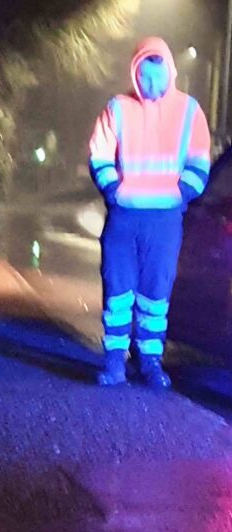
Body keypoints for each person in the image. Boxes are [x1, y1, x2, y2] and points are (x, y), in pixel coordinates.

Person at [89, 37, 211, 388]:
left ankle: (150, 362)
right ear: (135, 73)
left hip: (164, 220)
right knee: (118, 289)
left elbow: (199, 160)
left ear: (170, 73)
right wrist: (114, 190)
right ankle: (114, 361)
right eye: (144, 76)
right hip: (125, 218)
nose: (150, 84)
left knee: (155, 293)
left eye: (156, 77)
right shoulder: (118, 107)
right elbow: (99, 151)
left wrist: (181, 194)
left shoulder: (189, 111)